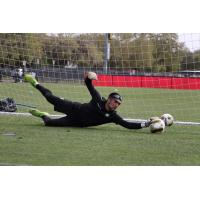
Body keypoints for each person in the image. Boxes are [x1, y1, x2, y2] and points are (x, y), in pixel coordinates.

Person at [24, 72, 153, 129]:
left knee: (49, 124)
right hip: (75, 108)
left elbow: (128, 125)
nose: (116, 105)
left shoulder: (113, 116)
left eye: (118, 104)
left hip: (76, 123)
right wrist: (90, 77)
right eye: (114, 101)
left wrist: (145, 124)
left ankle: (43, 115)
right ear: (109, 99)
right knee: (50, 98)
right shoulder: (98, 99)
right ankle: (35, 83)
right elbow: (88, 84)